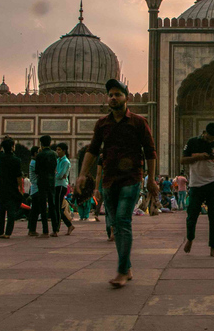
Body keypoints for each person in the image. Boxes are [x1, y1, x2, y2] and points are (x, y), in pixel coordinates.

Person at [76, 79, 158, 287]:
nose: (113, 98)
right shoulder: (102, 123)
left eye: (117, 94)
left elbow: (150, 152)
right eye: (110, 94)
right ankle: (127, 266)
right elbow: (93, 150)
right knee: (115, 224)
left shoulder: (139, 122)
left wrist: (151, 180)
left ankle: (122, 271)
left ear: (126, 98)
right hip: (109, 179)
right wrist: (83, 174)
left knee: (122, 220)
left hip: (131, 177)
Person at [181, 122, 214, 256]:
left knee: (213, 217)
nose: (211, 140)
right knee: (192, 215)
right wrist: (199, 157)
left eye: (213, 138)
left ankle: (213, 248)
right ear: (204, 132)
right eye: (209, 137)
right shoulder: (192, 142)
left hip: (213, 183)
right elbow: (182, 160)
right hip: (196, 184)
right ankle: (190, 238)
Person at [0, 137, 22, 239]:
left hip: (2, 185)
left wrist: (2, 144)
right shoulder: (16, 160)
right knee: (11, 211)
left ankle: (0, 232)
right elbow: (18, 176)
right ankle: (8, 233)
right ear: (12, 147)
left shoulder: (1, 157)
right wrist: (21, 188)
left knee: (1, 210)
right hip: (12, 186)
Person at [30, 136, 56, 238]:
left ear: (41, 144)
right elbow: (54, 167)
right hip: (51, 181)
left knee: (43, 206)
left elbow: (37, 170)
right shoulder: (54, 154)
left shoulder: (39, 155)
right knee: (52, 206)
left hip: (42, 182)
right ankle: (55, 230)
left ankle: (45, 231)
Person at [53, 143, 75, 235]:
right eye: (56, 150)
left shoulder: (65, 161)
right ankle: (68, 225)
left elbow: (60, 175)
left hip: (61, 185)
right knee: (57, 207)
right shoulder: (58, 160)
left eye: (59, 150)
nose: (57, 151)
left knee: (57, 207)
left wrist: (54, 174)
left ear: (64, 151)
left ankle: (58, 228)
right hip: (57, 184)